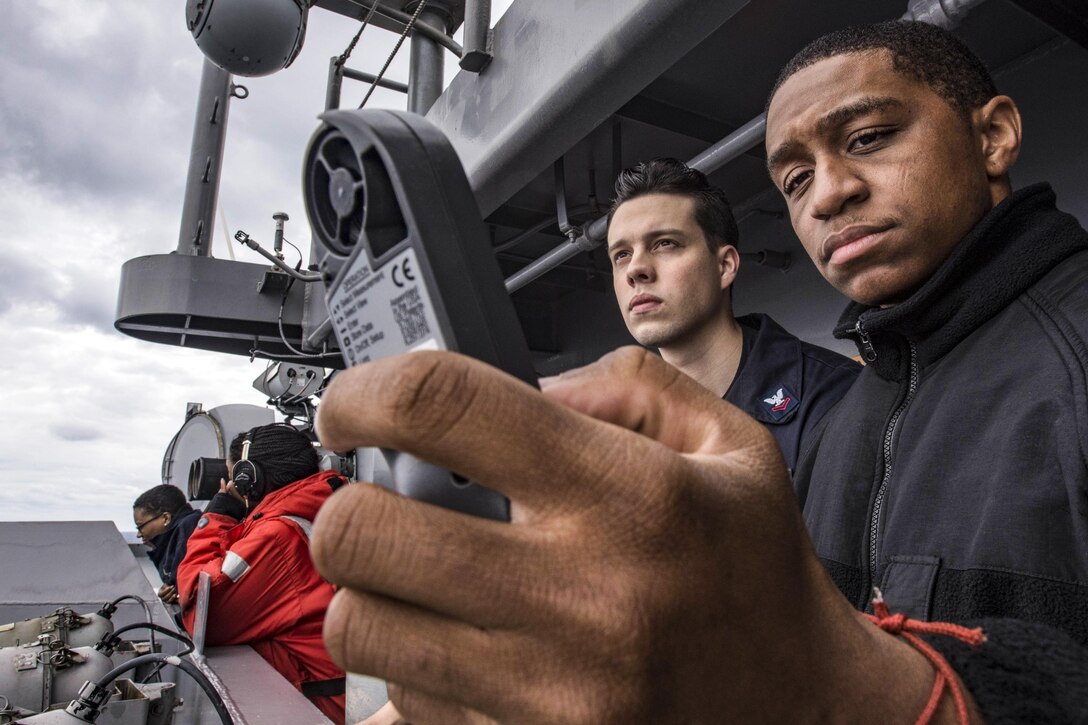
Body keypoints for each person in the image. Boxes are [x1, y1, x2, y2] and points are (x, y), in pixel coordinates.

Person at [307, 20, 1088, 724]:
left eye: (869, 137)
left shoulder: (839, 395)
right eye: (794, 180)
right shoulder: (870, 405)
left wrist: (860, 690)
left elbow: (820, 668)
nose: (829, 193)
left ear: (994, 136)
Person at [607, 158, 859, 472]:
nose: (635, 269)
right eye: (622, 255)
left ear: (725, 266)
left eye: (664, 243)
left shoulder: (837, 400)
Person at [176, 424, 347, 723]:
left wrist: (217, 517)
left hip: (319, 705)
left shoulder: (278, 535)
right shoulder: (321, 510)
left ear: (248, 478)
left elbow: (200, 614)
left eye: (234, 478)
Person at [133, 484, 201, 604]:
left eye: (141, 526)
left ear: (165, 518)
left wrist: (171, 590)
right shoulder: (173, 538)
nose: (139, 534)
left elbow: (180, 584)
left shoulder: (189, 526)